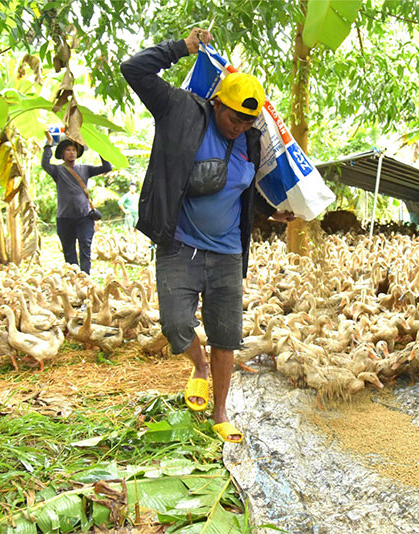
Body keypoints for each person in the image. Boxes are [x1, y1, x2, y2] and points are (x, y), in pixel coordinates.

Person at [121, 27, 296, 444]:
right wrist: (183, 47)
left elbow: (243, 193)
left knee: (226, 335)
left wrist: (273, 213)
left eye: (248, 121)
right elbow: (134, 69)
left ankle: (221, 412)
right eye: (234, 117)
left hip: (226, 255)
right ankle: (197, 366)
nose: (239, 126)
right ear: (217, 103)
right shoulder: (180, 110)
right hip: (180, 245)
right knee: (177, 325)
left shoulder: (251, 141)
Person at [42, 132, 112, 274]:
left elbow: (107, 167)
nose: (72, 152)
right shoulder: (57, 170)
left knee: (85, 247)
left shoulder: (85, 169)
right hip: (64, 218)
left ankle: (85, 278)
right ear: (62, 154)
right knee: (69, 252)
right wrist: (49, 143)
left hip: (84, 217)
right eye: (68, 150)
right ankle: (74, 280)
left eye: (74, 150)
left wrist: (99, 148)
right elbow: (45, 164)